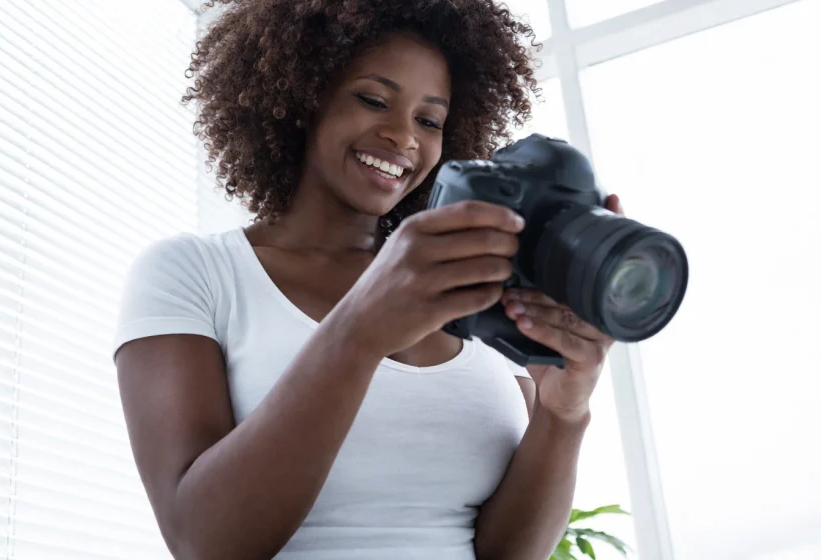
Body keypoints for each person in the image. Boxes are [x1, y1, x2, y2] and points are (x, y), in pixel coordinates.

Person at [113, 1, 624, 558]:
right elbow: (203, 541)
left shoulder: (476, 290)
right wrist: (359, 330)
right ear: (301, 96)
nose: (404, 137)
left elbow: (504, 552)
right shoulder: (195, 275)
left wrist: (561, 413)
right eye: (373, 100)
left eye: (429, 120)